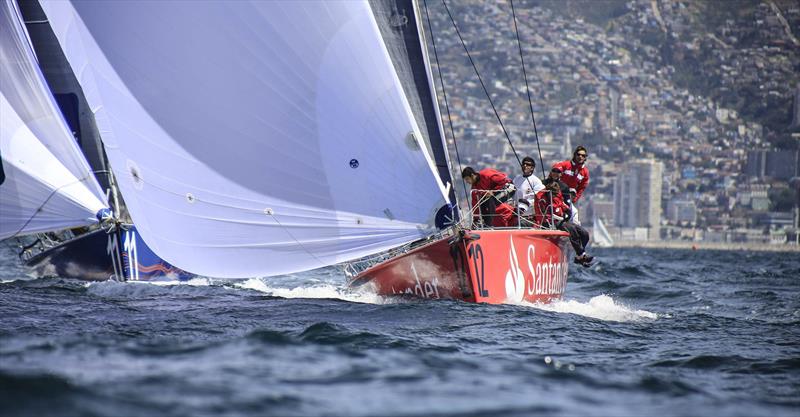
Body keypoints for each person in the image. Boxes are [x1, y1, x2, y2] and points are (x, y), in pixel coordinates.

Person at [539, 178, 593, 267]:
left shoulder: (565, 203)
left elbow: (565, 208)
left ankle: (579, 257)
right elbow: (544, 212)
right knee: (572, 230)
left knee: (584, 233)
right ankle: (581, 254)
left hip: (564, 221)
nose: (556, 195)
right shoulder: (544, 199)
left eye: (557, 193)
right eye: (554, 193)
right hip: (554, 222)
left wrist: (566, 213)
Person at [552, 146, 590, 224]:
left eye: (583, 155)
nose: (580, 157)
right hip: (556, 196)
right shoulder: (566, 165)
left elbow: (582, 187)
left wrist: (575, 198)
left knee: (574, 216)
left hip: (568, 199)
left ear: (585, 158)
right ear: (575, 155)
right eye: (578, 154)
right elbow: (556, 168)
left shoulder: (585, 172)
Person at [512, 156, 545, 222]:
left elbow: (537, 197)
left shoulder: (536, 181)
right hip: (515, 214)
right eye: (523, 164)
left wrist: (524, 206)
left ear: (532, 168)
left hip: (529, 216)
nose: (525, 166)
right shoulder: (516, 179)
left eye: (528, 164)